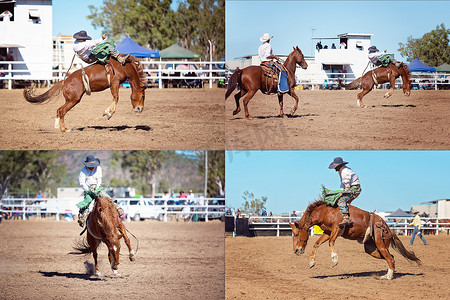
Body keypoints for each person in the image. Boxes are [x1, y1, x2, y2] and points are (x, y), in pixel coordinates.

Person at [328, 157, 361, 227]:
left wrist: (345, 191)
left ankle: (346, 218)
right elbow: (343, 183)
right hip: (354, 188)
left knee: (341, 200)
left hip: (354, 188)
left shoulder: (345, 171)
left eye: (335, 167)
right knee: (341, 198)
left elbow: (347, 183)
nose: (335, 169)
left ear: (339, 166)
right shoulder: (343, 170)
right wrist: (341, 191)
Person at [76, 154, 103, 227]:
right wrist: (89, 190)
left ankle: (115, 208)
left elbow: (99, 179)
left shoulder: (98, 168)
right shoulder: (83, 171)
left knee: (105, 198)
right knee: (86, 202)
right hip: (88, 189)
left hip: (97, 188)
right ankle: (82, 217)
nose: (92, 167)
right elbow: (82, 183)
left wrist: (97, 188)